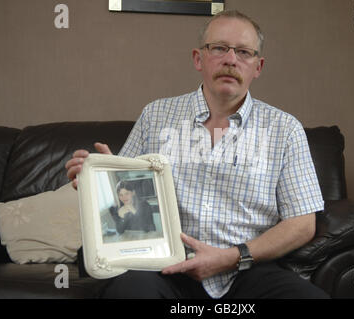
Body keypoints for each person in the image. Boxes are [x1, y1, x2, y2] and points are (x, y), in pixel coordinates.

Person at [66, 10, 328, 299]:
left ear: (258, 66)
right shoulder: (156, 115)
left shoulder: (285, 129)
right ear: (198, 58)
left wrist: (230, 257)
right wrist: (99, 179)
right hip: (163, 266)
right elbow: (125, 195)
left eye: (243, 52)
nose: (230, 59)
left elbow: (302, 224)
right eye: (218, 48)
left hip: (246, 269)